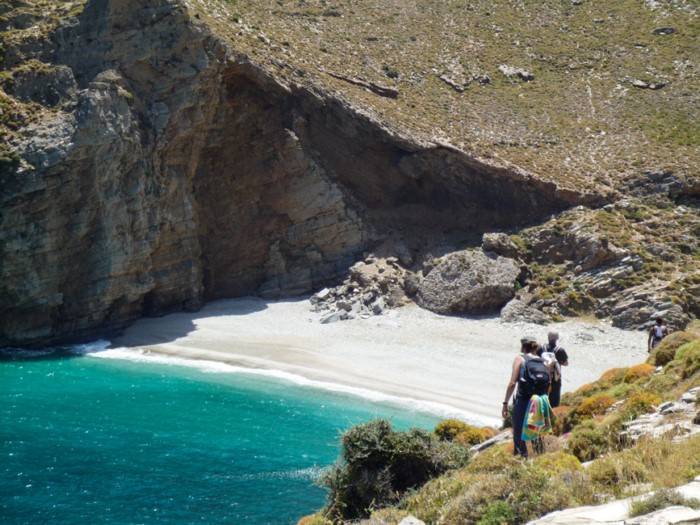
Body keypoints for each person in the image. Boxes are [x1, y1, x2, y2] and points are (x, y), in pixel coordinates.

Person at [502, 335, 551, 458]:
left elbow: (513, 383)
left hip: (524, 400)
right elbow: (548, 385)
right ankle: (540, 458)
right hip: (539, 401)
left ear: (523, 346)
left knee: (519, 432)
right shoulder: (542, 361)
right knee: (537, 431)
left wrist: (505, 403)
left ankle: (520, 460)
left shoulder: (520, 359)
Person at [538, 331, 569, 408]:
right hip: (555, 379)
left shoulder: (541, 348)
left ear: (548, 338)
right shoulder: (560, 350)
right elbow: (566, 363)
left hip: (543, 377)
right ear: (557, 339)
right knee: (554, 402)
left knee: (541, 399)